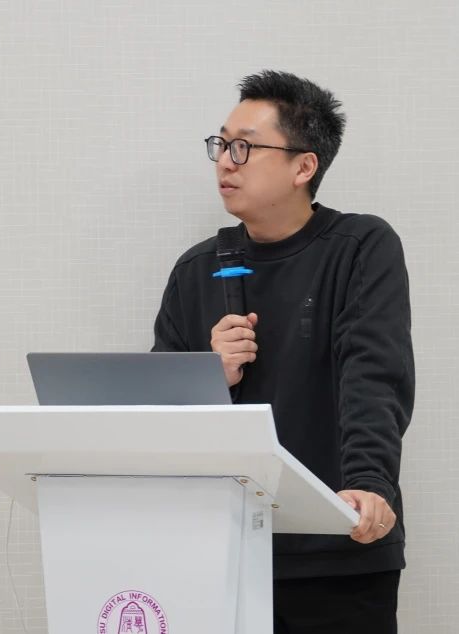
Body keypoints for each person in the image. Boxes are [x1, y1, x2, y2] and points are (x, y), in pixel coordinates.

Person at [152, 70, 414, 634]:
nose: (225, 162)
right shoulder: (196, 270)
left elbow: (374, 376)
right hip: (219, 553)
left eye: (244, 147)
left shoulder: (360, 248)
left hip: (339, 549)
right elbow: (158, 411)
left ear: (303, 167)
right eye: (221, 144)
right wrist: (210, 375)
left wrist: (370, 485)